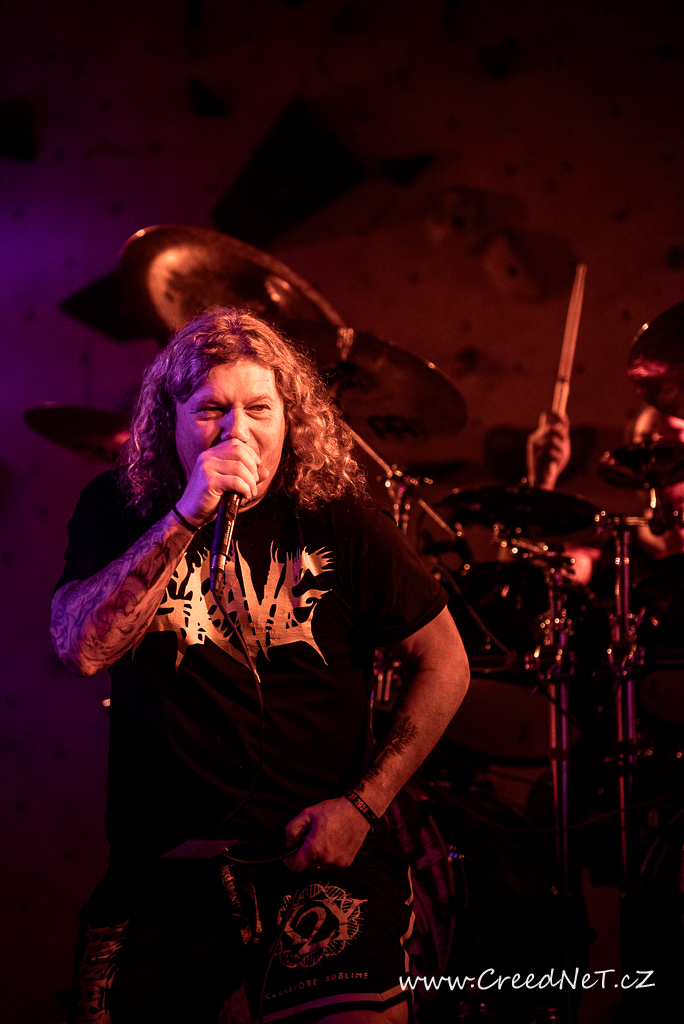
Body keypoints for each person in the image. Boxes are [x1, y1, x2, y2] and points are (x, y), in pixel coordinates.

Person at [50, 307, 469, 1024]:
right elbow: (81, 649)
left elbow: (446, 661)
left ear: (289, 419)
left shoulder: (340, 517)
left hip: (311, 860)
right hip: (164, 874)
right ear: (171, 422)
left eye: (259, 409)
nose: (236, 431)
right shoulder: (119, 509)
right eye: (211, 409)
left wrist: (363, 807)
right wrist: (185, 517)